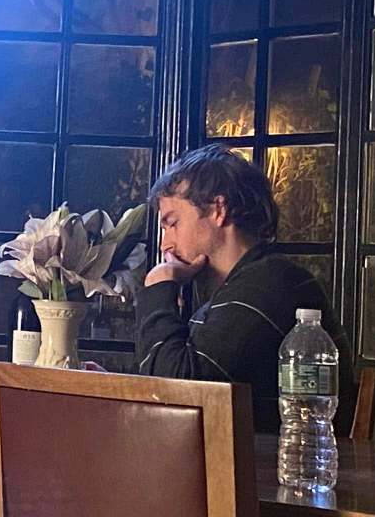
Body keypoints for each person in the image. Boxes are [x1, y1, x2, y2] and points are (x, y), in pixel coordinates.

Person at [135, 144, 355, 434]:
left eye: (172, 223)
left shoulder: (271, 284)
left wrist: (159, 284)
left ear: (218, 210)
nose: (165, 244)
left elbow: (178, 394)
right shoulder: (244, 285)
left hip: (285, 461)